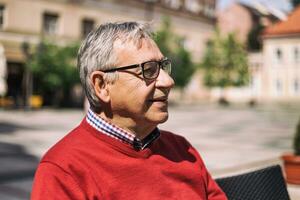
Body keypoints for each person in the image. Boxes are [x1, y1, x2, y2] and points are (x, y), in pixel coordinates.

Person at [31, 21, 227, 200]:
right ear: (102, 85)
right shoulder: (63, 170)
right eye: (148, 70)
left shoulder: (181, 149)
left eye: (163, 67)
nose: (168, 82)